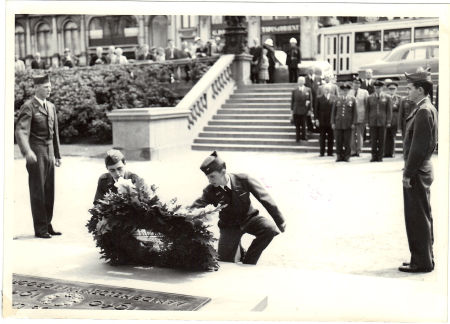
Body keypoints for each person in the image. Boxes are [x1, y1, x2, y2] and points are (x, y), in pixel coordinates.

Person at [191, 151, 286, 265]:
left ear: (223, 172)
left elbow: (265, 198)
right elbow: (197, 205)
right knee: (224, 262)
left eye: (212, 176)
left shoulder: (243, 180)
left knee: (269, 229)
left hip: (250, 219)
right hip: (229, 226)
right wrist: (180, 214)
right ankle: (238, 250)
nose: (210, 180)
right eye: (208, 177)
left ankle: (248, 261)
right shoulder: (210, 190)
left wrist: (280, 221)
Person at [399, 69, 438, 273]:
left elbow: (418, 147)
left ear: (420, 90)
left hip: (417, 172)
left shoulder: (423, 110)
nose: (407, 91)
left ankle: (421, 262)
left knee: (417, 216)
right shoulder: (426, 108)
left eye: (410, 88)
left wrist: (407, 173)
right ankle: (424, 257)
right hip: (421, 170)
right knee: (422, 215)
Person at [15, 74, 62, 239]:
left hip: (49, 152)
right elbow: (21, 130)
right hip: (36, 152)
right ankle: (40, 228)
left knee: (49, 190)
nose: (49, 89)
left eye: (50, 86)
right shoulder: (29, 107)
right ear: (36, 88)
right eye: (45, 87)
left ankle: (48, 225)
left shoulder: (51, 106)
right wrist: (27, 151)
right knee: (38, 191)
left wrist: (57, 154)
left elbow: (54, 132)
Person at [365, 80, 392, 162]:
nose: (377, 89)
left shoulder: (387, 97)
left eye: (379, 88)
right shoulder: (370, 97)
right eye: (376, 88)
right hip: (373, 121)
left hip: (382, 121)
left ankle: (380, 157)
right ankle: (374, 156)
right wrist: (367, 121)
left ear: (382, 88)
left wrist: (388, 121)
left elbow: (389, 111)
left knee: (381, 140)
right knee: (373, 140)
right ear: (374, 88)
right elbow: (367, 110)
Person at [331, 83, 357, 162]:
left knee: (347, 141)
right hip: (338, 123)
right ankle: (339, 156)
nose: (345, 92)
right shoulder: (337, 99)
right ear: (341, 91)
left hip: (348, 124)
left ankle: (347, 156)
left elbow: (355, 113)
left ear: (349, 91)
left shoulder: (352, 99)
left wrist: (353, 123)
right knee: (338, 141)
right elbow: (333, 112)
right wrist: (332, 122)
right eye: (343, 90)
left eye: (346, 90)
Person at [348, 78, 369, 157]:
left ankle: (359, 150)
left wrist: (366, 117)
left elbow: (367, 105)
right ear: (352, 84)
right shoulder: (349, 92)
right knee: (352, 134)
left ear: (360, 84)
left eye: (358, 83)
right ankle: (353, 150)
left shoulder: (364, 92)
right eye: (354, 83)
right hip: (351, 116)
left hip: (361, 115)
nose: (356, 85)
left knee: (360, 134)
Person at [314, 85, 335, 156]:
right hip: (322, 120)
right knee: (322, 137)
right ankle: (322, 152)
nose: (327, 90)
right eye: (325, 89)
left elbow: (335, 110)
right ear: (323, 90)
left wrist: (334, 121)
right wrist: (316, 119)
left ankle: (330, 152)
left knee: (331, 137)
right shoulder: (319, 98)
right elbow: (316, 110)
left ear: (330, 90)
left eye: (328, 89)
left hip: (330, 121)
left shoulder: (334, 98)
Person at [291, 76, 313, 142]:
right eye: (299, 81)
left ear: (304, 82)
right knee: (297, 125)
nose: (300, 82)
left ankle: (304, 136)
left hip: (304, 110)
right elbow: (292, 101)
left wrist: (310, 110)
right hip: (296, 110)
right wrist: (292, 110)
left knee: (304, 124)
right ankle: (297, 137)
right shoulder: (294, 90)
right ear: (298, 82)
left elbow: (310, 100)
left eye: (302, 81)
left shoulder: (308, 89)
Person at [384, 79, 401, 158]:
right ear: (388, 89)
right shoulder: (384, 98)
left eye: (393, 89)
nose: (392, 90)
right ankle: (385, 152)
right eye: (390, 89)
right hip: (386, 120)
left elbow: (400, 111)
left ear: (396, 90)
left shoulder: (399, 98)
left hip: (394, 120)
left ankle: (392, 152)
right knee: (385, 136)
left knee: (393, 137)